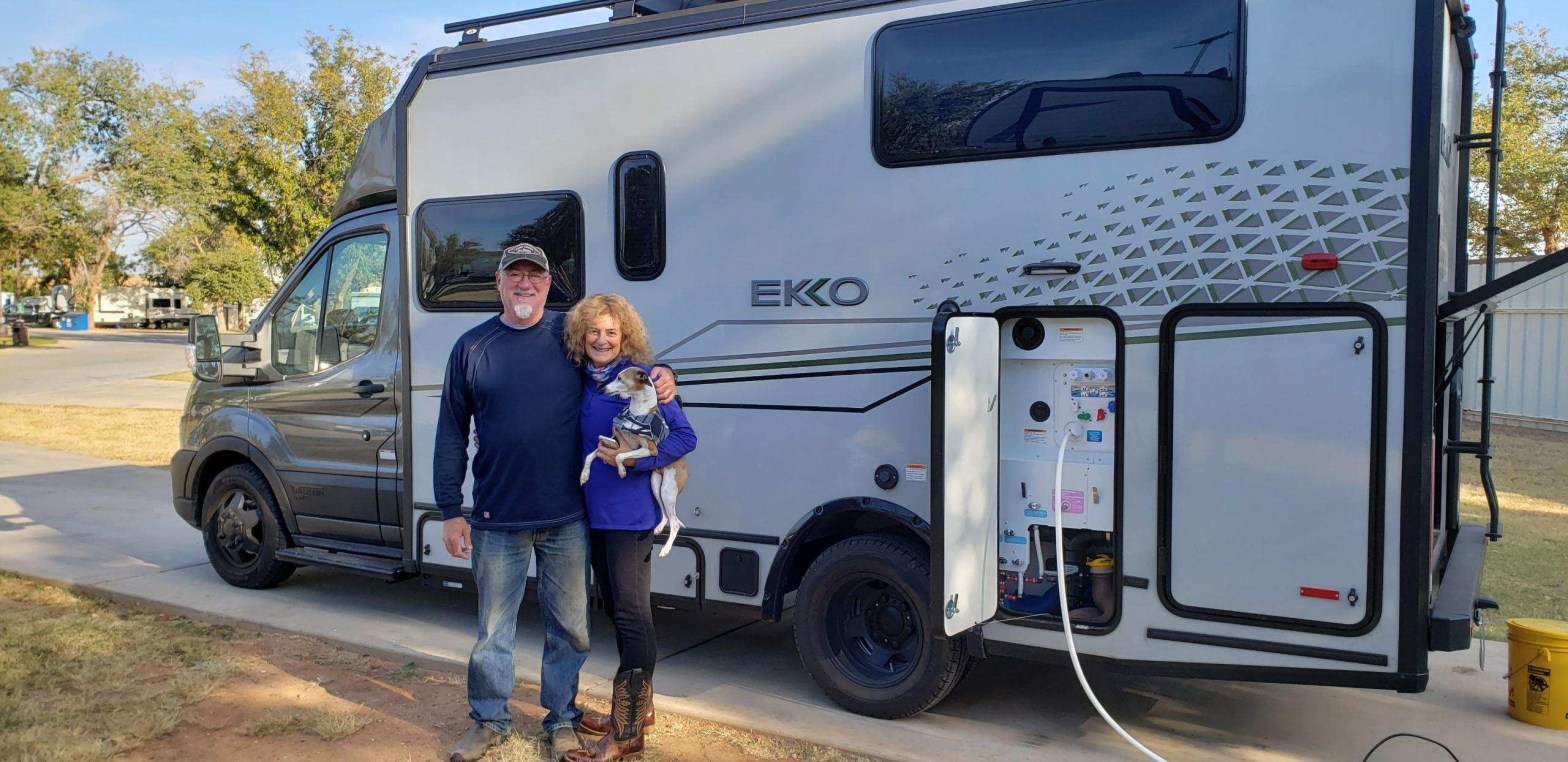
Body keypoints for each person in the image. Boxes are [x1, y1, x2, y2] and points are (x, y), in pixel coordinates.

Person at [436, 243, 674, 762]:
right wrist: (451, 509)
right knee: (493, 630)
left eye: (535, 277)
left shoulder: (569, 340)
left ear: (549, 284)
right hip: (497, 516)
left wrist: (665, 373)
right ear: (498, 282)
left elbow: (626, 362)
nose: (525, 284)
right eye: (514, 275)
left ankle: (561, 720)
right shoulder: (472, 348)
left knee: (570, 628)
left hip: (568, 516)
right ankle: (488, 719)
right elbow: (451, 431)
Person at [562, 294, 696, 762]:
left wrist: (634, 462)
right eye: (594, 332)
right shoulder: (586, 379)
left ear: (625, 338)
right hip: (592, 514)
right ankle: (639, 712)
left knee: (633, 615)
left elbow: (684, 438)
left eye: (611, 333)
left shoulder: (647, 383)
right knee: (617, 608)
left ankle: (627, 733)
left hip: (630, 517)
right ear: (582, 335)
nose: (601, 340)